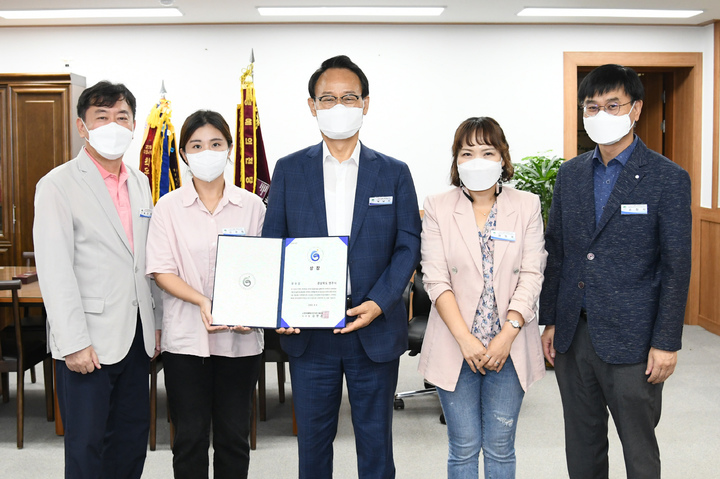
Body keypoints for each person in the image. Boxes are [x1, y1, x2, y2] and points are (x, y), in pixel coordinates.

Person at [262, 55, 421, 479]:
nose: (338, 107)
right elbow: (272, 245)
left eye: (348, 97)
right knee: (312, 445)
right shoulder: (289, 170)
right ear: (311, 105)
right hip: (310, 332)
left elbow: (408, 245)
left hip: (373, 325)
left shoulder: (393, 173)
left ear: (366, 103)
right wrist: (278, 307)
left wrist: (379, 302)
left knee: (376, 444)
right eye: (327, 98)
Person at [539, 64, 692, 479]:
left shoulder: (668, 178)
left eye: (612, 105)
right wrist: (550, 318)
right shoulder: (570, 175)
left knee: (639, 451)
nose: (601, 115)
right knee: (583, 446)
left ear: (636, 109)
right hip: (574, 335)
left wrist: (666, 341)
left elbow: (676, 267)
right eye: (592, 107)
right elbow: (558, 251)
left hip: (635, 340)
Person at [33, 81, 156, 478]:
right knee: (87, 447)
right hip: (87, 344)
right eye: (101, 117)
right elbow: (55, 270)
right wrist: (73, 343)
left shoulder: (140, 182)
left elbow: (142, 261)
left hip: (136, 339)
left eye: (122, 117)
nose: (113, 125)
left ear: (134, 124)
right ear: (82, 127)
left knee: (131, 439)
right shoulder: (57, 184)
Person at [418, 117, 547, 478]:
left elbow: (533, 273)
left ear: (503, 158)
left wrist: (507, 335)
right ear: (456, 161)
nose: (477, 160)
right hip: (455, 343)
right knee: (462, 447)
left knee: (501, 448)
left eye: (487, 151)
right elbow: (436, 277)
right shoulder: (438, 206)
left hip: (510, 344)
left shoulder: (526, 205)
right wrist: (466, 340)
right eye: (467, 152)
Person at [145, 110, 265, 479]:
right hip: (186, 342)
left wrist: (252, 310)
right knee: (190, 439)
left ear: (230, 149)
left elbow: (264, 267)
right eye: (196, 145)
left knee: (233, 438)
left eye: (215, 143)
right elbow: (162, 269)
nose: (206, 152)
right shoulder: (167, 208)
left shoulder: (252, 206)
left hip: (240, 342)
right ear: (183, 153)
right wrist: (202, 301)